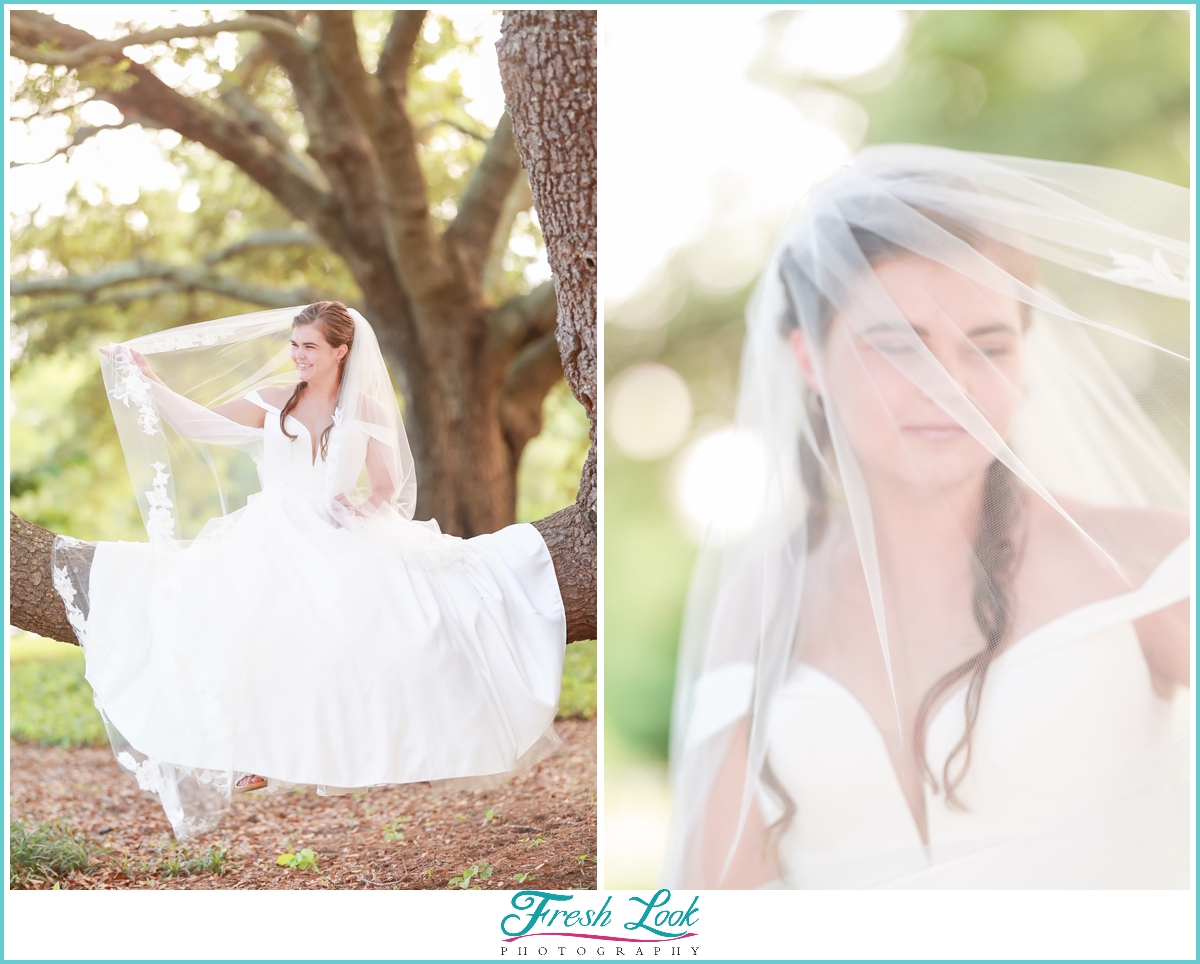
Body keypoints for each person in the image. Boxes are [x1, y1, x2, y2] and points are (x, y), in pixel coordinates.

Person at [664, 145, 1191, 889]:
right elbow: (715, 902)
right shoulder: (761, 597)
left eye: (988, 345)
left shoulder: (1152, 561)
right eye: (897, 344)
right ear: (809, 360)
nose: (949, 385)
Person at [52, 301, 567, 839]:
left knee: (391, 627)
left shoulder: (367, 407)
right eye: (295, 345)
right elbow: (197, 424)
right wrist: (148, 379)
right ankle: (253, 752)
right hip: (271, 527)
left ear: (341, 351)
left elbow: (388, 486)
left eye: (310, 347)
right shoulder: (273, 399)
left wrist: (362, 514)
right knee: (249, 620)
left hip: (337, 528)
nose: (298, 355)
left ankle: (372, 746)